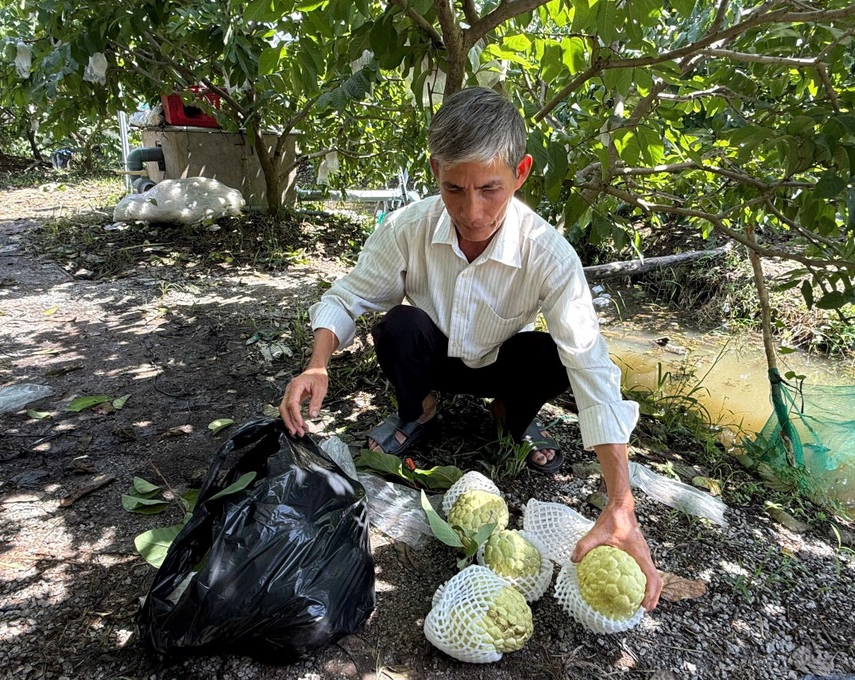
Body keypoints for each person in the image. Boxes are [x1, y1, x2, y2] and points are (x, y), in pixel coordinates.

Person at [280, 86, 660, 610]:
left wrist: (621, 502)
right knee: (397, 325)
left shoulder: (548, 253)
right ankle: (419, 411)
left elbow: (590, 364)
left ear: (521, 172)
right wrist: (318, 363)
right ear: (435, 168)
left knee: (550, 355)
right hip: (433, 356)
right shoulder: (407, 227)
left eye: (490, 189)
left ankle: (511, 418)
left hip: (501, 362)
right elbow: (347, 296)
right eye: (454, 189)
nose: (472, 210)